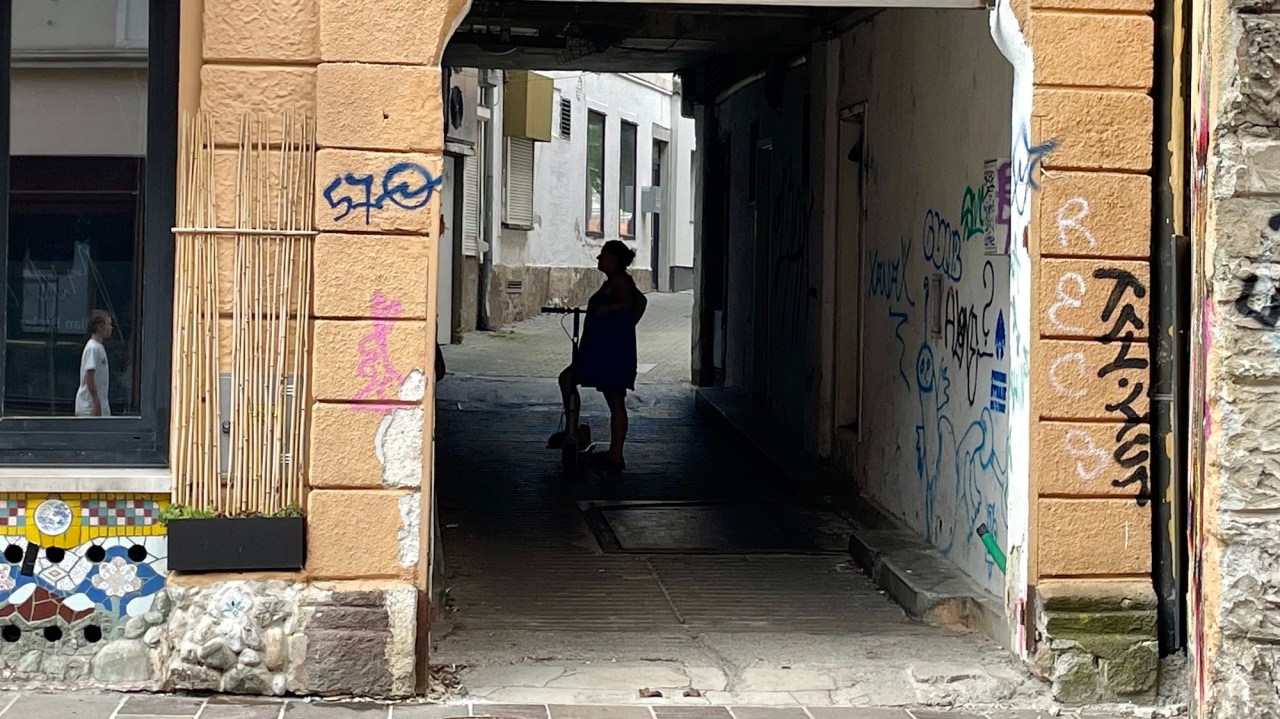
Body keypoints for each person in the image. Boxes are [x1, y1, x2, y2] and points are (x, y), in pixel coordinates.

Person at [551, 240, 648, 470]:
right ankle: (573, 429)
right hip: (601, 349)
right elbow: (639, 301)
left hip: (610, 353)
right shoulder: (615, 281)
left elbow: (631, 303)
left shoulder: (621, 281)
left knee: (613, 399)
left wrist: (612, 315)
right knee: (569, 380)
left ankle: (615, 454)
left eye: (603, 255)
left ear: (613, 259)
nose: (598, 258)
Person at [75, 310, 112, 417]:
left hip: (101, 405)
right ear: (100, 327)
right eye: (109, 324)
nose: (111, 328)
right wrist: (96, 403)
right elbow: (89, 379)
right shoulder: (93, 348)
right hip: (89, 408)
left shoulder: (99, 347)